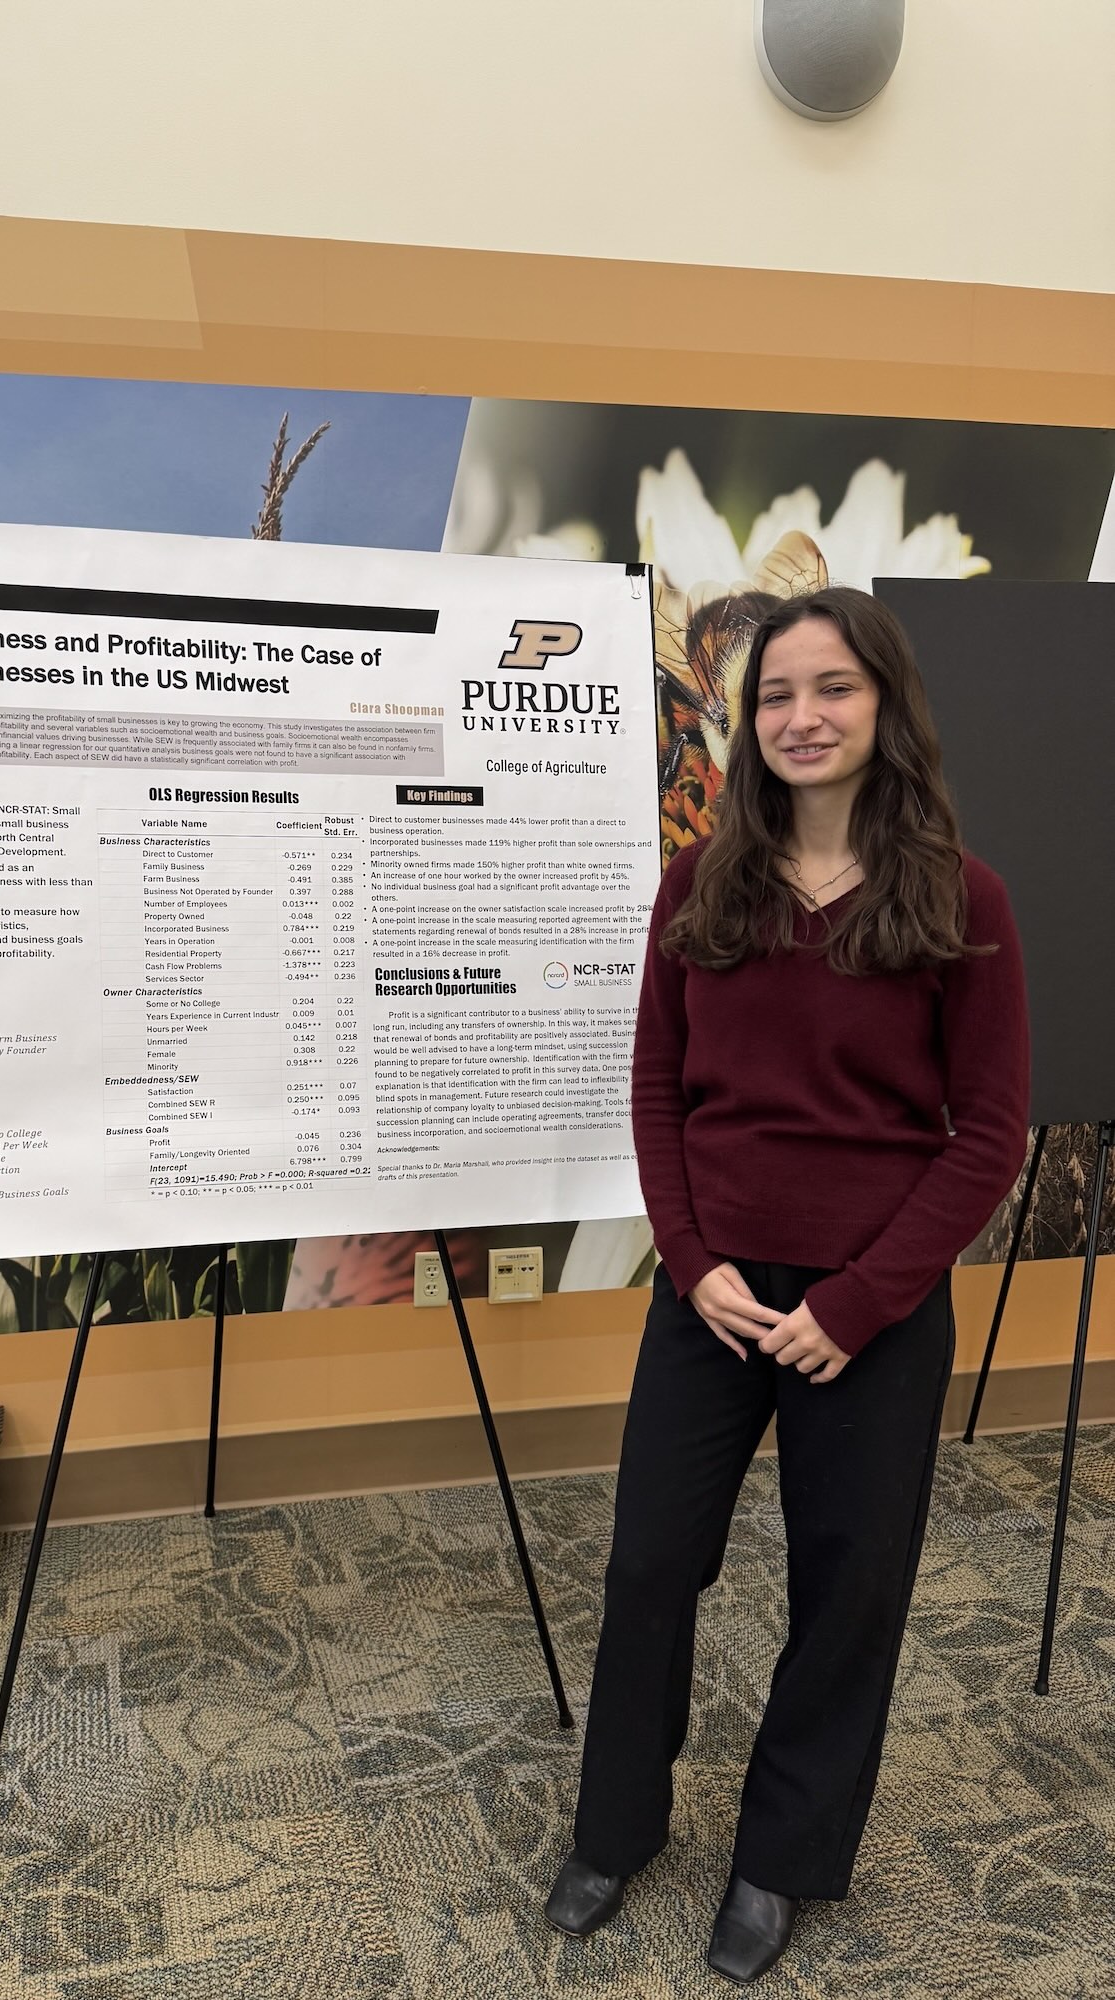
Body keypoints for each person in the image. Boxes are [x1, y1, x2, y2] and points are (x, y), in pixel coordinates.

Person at [544, 586, 1030, 1983]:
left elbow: (989, 1132)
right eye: (775, 697)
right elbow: (656, 1090)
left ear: (886, 707)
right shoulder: (702, 883)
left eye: (832, 690)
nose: (801, 718)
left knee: (850, 1585)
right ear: (744, 723)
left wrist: (859, 1304)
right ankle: (617, 1828)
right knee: (647, 1567)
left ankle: (780, 1859)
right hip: (710, 1298)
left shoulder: (961, 896)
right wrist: (692, 1266)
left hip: (871, 1312)